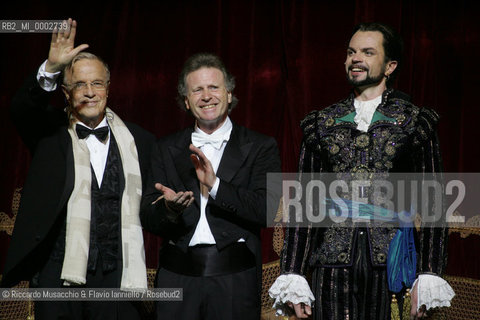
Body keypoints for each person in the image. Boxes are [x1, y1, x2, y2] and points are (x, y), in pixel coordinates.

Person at [269, 22, 451, 320]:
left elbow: (434, 204)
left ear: (390, 65)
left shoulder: (413, 122)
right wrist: (294, 273)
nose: (356, 58)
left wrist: (429, 273)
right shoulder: (322, 123)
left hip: (391, 266)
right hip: (331, 267)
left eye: (368, 52)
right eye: (352, 52)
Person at [2, 19, 155, 320]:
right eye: (79, 85)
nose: (89, 92)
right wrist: (51, 67)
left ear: (108, 89)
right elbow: (21, 109)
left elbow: (152, 207)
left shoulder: (141, 140)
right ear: (66, 93)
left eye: (96, 83)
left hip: (117, 278)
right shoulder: (49, 133)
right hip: (58, 276)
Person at [140, 52, 281, 320]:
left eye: (214, 87)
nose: (207, 96)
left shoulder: (262, 146)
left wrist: (215, 185)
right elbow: (147, 216)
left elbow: (267, 210)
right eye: (197, 90)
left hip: (235, 280)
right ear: (186, 100)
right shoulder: (164, 148)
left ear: (229, 94)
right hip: (175, 279)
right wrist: (169, 210)